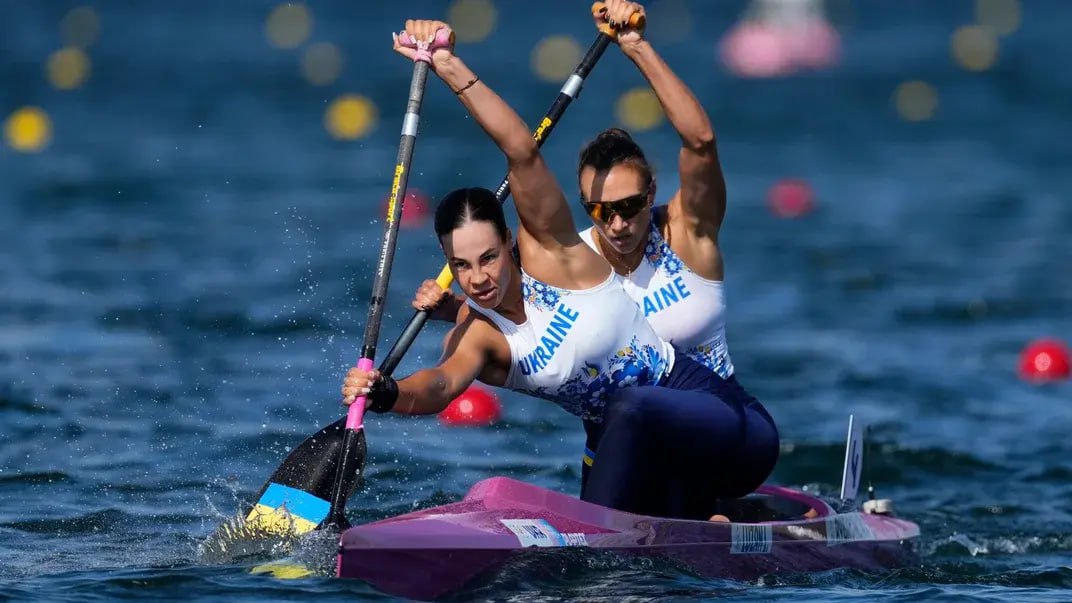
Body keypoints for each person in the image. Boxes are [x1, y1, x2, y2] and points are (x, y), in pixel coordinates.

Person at [342, 16, 778, 521]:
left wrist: (447, 65)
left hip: (729, 426)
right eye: (461, 266)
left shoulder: (559, 259)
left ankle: (632, 536)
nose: (479, 277)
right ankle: (707, 523)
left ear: (511, 243)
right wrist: (385, 392)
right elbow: (438, 386)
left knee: (629, 407)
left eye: (488, 257)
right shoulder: (481, 335)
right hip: (642, 455)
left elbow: (521, 151)